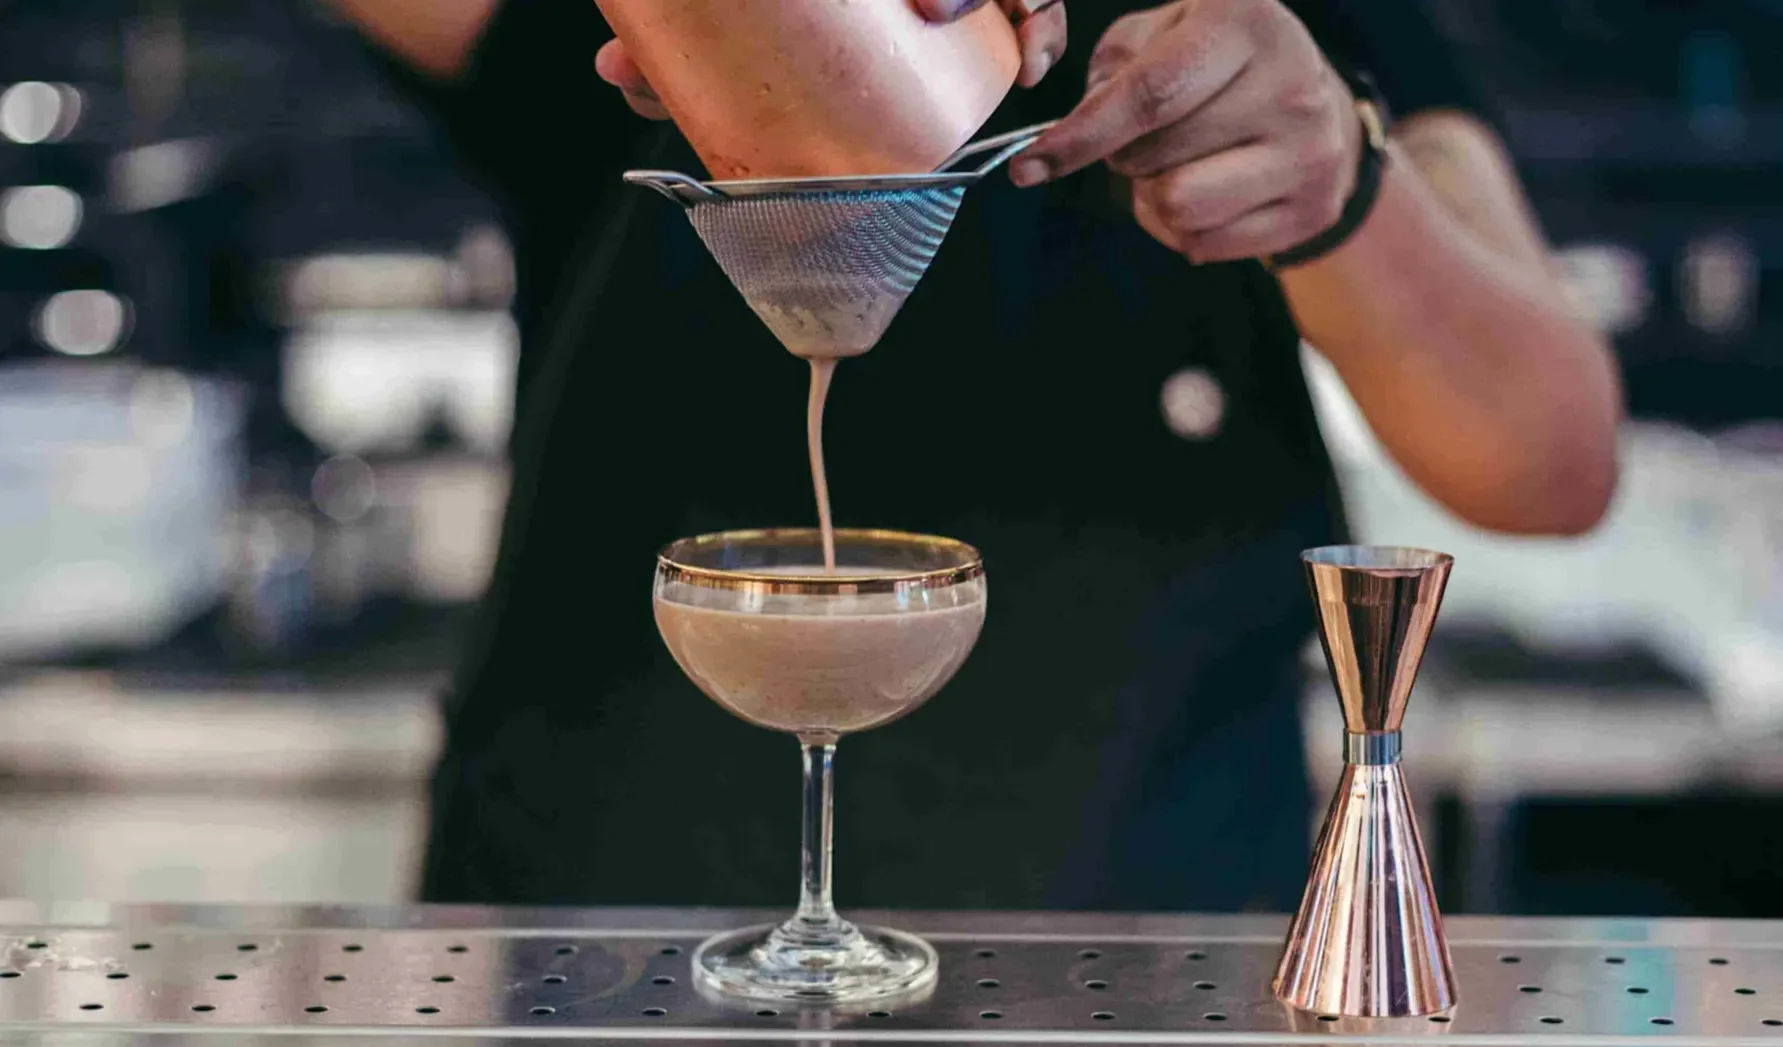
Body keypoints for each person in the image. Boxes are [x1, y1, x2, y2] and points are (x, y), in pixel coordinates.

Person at [331, 0, 1620, 911]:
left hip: (1144, 958)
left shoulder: (1288, 26)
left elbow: (1550, 460)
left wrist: (1339, 187)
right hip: (613, 943)